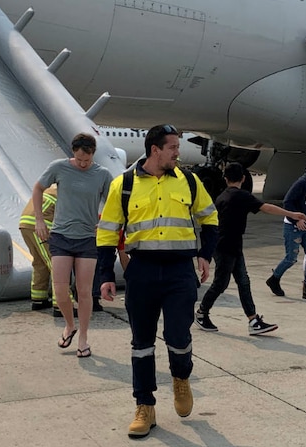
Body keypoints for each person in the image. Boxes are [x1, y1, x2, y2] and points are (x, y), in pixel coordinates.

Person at [96, 124, 218, 438]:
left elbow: (211, 218)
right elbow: (107, 233)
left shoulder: (189, 182)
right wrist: (106, 275)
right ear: (155, 150)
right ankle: (145, 406)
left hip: (179, 271)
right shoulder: (122, 185)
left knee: (178, 335)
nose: (178, 152)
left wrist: (206, 253)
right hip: (142, 271)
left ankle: (180, 378)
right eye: (173, 147)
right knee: (142, 343)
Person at [196, 162, 306, 336]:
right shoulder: (242, 196)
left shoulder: (221, 196)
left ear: (225, 179)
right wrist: (292, 214)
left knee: (243, 282)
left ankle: (253, 320)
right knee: (221, 284)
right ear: (243, 178)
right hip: (228, 247)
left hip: (226, 245)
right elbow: (266, 208)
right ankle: (202, 314)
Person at [32, 133, 112, 359]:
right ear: (73, 153)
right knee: (60, 289)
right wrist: (39, 219)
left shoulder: (102, 174)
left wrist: (104, 222)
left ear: (93, 154)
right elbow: (37, 188)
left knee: (84, 291)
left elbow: (112, 202)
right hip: (61, 236)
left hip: (87, 238)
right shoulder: (59, 168)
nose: (83, 164)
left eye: (86, 160)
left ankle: (84, 338)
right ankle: (69, 325)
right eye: (79, 160)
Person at [265, 158, 306, 301]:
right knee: (291, 258)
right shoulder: (301, 183)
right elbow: (287, 202)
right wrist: (296, 219)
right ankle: (274, 279)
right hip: (292, 226)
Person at [19, 184, 58, 310]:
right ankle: (61, 303)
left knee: (40, 262)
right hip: (41, 228)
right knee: (57, 264)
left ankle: (39, 299)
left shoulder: (50, 189)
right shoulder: (66, 192)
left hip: (25, 224)